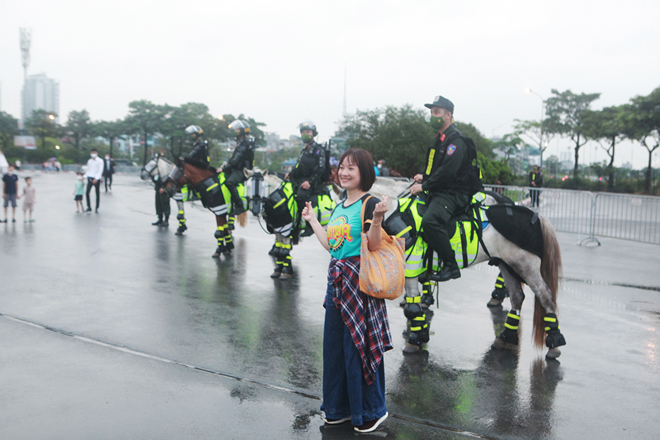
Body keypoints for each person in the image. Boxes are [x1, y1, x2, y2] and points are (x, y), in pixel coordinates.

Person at [302, 148, 392, 434]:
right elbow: (333, 246)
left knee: (360, 349)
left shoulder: (370, 203)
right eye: (341, 167)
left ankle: (370, 411)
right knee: (335, 349)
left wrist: (377, 219)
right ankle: (338, 409)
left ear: (364, 172)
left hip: (360, 284)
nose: (343, 172)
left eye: (351, 168)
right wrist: (313, 220)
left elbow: (374, 245)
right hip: (337, 285)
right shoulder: (340, 207)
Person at [410, 95, 479, 281]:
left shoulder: (455, 140)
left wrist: (423, 186)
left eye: (437, 112)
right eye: (432, 112)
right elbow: (436, 166)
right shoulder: (441, 138)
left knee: (430, 222)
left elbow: (448, 172)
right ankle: (427, 264)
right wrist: (424, 175)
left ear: (448, 115)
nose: (433, 116)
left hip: (454, 193)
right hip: (442, 189)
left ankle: (451, 266)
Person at [219, 120, 254, 216]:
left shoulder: (244, 143)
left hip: (242, 170)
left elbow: (235, 160)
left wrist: (224, 168)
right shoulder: (240, 142)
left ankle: (240, 206)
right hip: (236, 168)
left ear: (242, 131)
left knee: (229, 182)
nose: (235, 130)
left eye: (237, 129)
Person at [152, 154, 171, 227]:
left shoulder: (166, 168)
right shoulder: (157, 167)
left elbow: (169, 179)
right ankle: (160, 219)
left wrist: (164, 187)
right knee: (158, 203)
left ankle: (166, 220)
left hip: (164, 188)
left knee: (165, 203)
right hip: (158, 187)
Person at [84, 148, 104, 213]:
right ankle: (89, 207)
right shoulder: (89, 161)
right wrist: (84, 177)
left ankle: (97, 207)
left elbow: (100, 170)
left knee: (97, 193)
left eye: (94, 153)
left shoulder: (100, 161)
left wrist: (97, 178)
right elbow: (88, 170)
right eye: (92, 153)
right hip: (90, 177)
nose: (93, 154)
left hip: (96, 178)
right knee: (87, 192)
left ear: (97, 153)